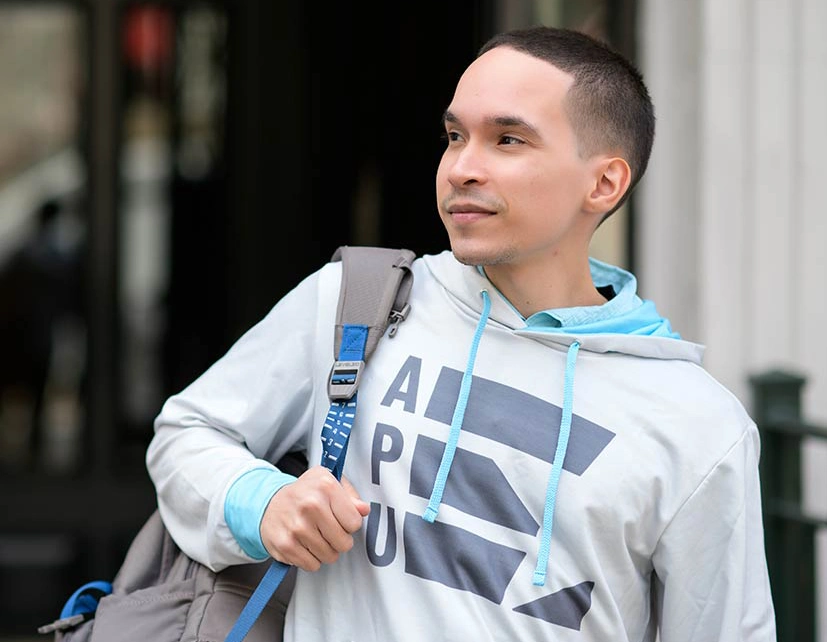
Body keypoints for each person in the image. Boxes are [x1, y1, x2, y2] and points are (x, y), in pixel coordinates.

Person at [147, 25, 777, 641]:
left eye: (508, 140)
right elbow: (187, 434)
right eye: (455, 137)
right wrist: (262, 503)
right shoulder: (358, 302)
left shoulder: (697, 425)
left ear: (604, 182)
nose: (462, 168)